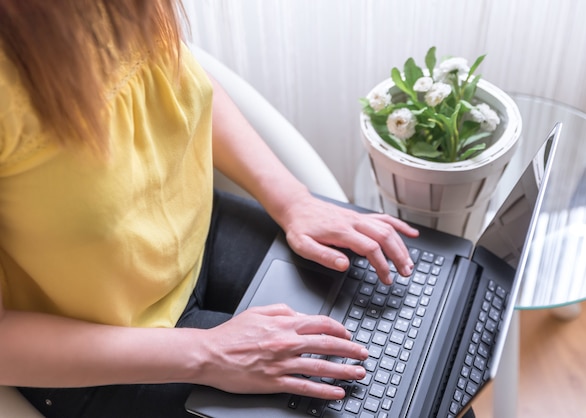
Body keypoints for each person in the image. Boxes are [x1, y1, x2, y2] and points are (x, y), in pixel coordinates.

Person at [0, 2, 475, 417]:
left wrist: (294, 200)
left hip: (201, 236)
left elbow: (181, 81)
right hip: (94, 351)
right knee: (356, 397)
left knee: (415, 342)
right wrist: (207, 352)